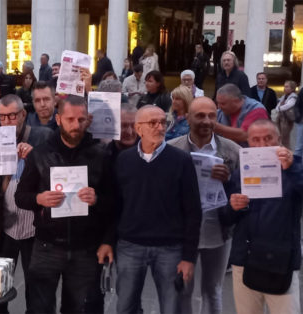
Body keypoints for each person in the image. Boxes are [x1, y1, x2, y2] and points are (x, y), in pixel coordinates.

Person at [14, 95, 115, 314]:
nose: (75, 125)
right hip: (46, 246)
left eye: (81, 120)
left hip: (85, 248)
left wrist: (97, 199)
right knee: (39, 308)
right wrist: (38, 199)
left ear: (88, 120)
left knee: (76, 308)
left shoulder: (100, 154)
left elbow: (114, 202)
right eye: (70, 119)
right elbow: (20, 196)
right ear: (58, 119)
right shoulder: (40, 153)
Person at [115, 105, 201, 314]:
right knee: (125, 306)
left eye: (163, 122)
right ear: (138, 129)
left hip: (170, 247)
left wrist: (188, 257)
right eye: (152, 123)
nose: (159, 127)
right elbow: (116, 206)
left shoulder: (181, 160)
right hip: (130, 245)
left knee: (172, 307)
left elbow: (193, 210)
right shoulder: (124, 160)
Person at [0, 94, 53, 312]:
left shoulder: (42, 136)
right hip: (5, 222)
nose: (7, 122)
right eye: (2, 117)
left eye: (12, 116)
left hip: (34, 224)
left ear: (23, 114)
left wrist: (35, 157)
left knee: (35, 284)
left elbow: (55, 171)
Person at [168, 97, 241, 314]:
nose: (206, 121)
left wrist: (229, 180)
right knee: (184, 290)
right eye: (200, 115)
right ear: (188, 117)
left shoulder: (232, 150)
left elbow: (245, 189)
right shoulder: (173, 149)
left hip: (218, 230)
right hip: (182, 231)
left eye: (211, 115)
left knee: (213, 290)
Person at [228, 119, 301, 314]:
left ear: (279, 139)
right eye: (256, 140)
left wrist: (292, 167)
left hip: (281, 261)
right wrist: (232, 207)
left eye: (268, 139)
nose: (262, 145)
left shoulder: (295, 167)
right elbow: (225, 219)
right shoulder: (239, 174)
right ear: (248, 143)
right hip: (244, 259)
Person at [273, 80, 298, 149]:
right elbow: (278, 104)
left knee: (285, 138)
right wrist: (278, 108)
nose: (285, 88)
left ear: (292, 88)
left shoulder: (293, 97)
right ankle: (281, 149)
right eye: (284, 86)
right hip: (281, 118)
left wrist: (279, 108)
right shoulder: (284, 96)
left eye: (287, 87)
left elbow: (287, 106)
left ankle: (286, 151)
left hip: (287, 119)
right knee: (279, 136)